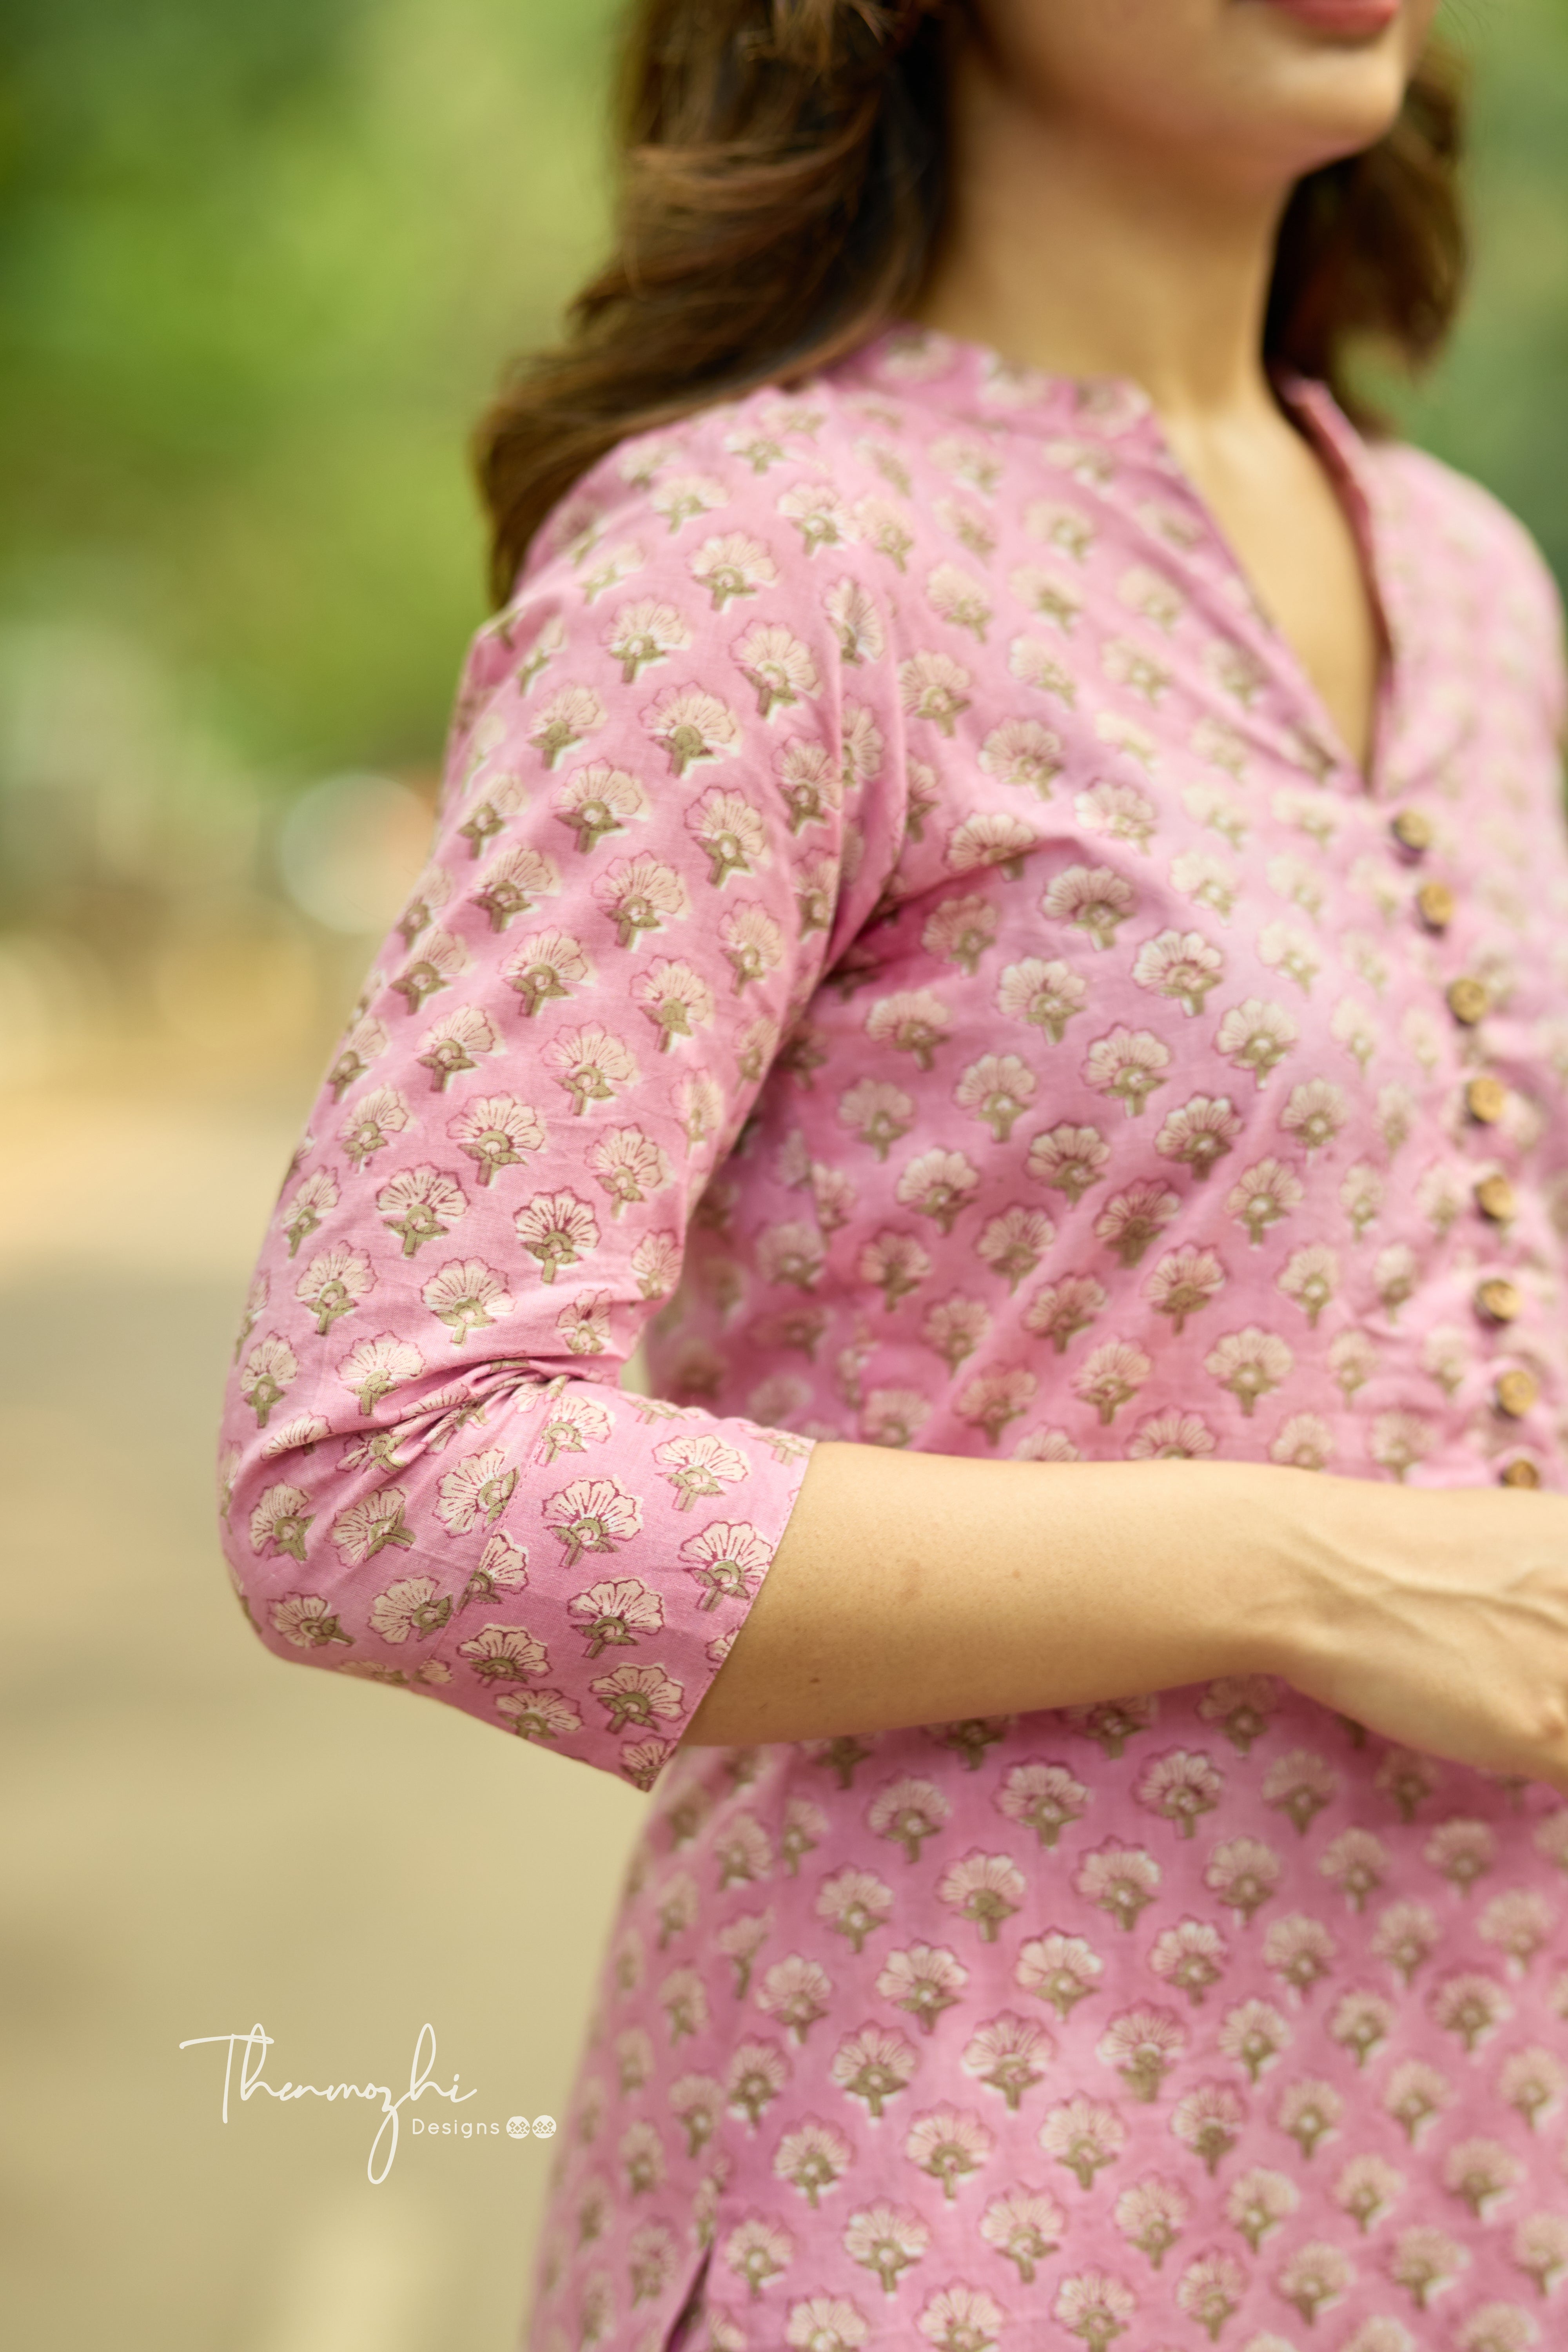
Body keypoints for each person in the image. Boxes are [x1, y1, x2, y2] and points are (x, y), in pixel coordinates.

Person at [218, 2, 1568, 2345]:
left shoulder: (1467, 575)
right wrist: (1297, 1565)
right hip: (974, 2201)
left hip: (1490, 2184)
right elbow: (377, 1464)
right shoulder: (761, 560)